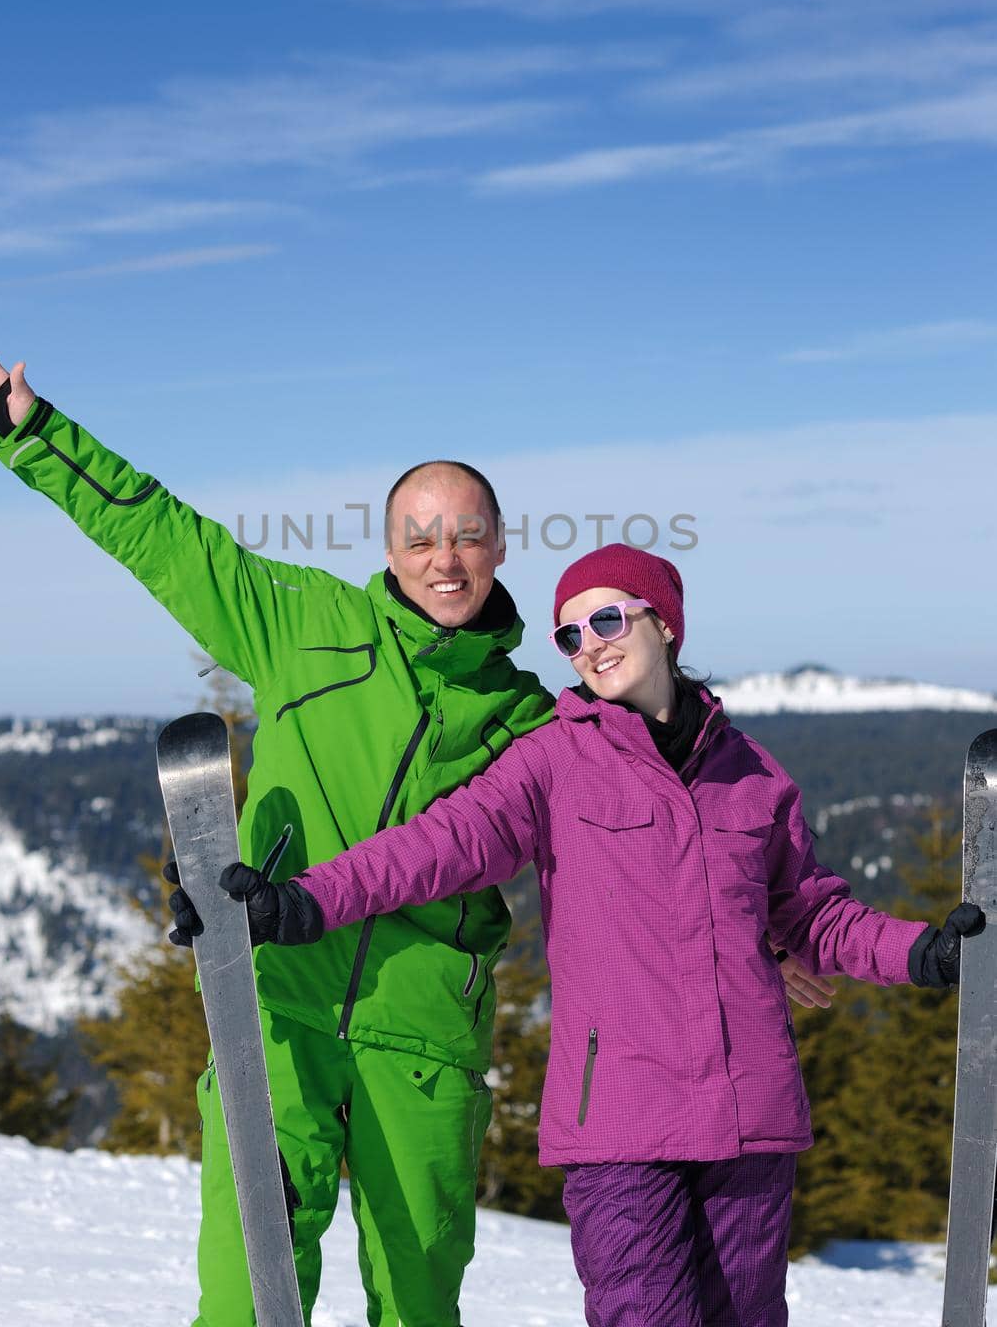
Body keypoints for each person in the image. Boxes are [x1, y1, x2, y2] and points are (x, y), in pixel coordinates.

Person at [0, 331, 832, 1327]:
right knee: (246, 1298)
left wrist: (762, 927)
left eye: (463, 535)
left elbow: (663, 827)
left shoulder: (534, 720)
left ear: (497, 546)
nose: (441, 558)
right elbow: (160, 533)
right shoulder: (296, 621)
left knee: (417, 1308)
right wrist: (32, 430)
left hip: (424, 1041)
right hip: (273, 1012)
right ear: (387, 549)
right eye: (418, 536)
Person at [207, 543, 984, 1327]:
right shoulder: (550, 761)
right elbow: (432, 847)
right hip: (617, 1120)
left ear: (664, 625)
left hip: (749, 1121)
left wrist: (924, 953)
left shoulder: (753, 775)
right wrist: (298, 904)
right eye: (569, 636)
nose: (590, 646)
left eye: (606, 619)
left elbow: (813, 915)